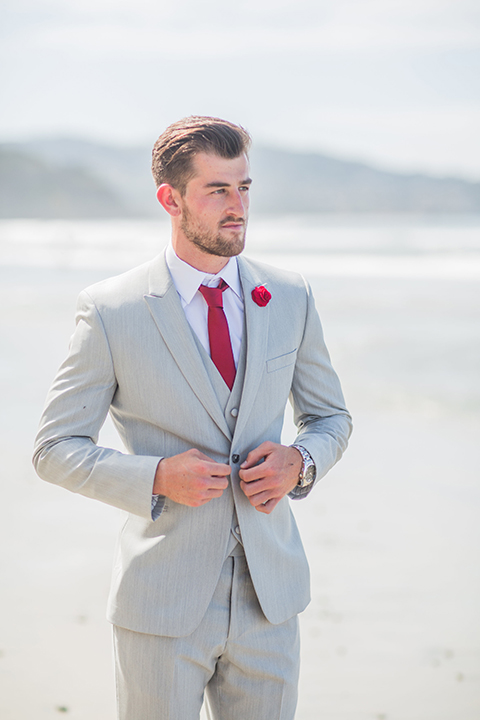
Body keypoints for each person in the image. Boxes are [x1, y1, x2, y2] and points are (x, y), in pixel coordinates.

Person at [33, 116, 352, 720]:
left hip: (271, 602)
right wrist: (154, 477)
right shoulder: (112, 311)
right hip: (162, 602)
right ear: (169, 199)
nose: (238, 207)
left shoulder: (290, 296)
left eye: (245, 188)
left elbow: (330, 416)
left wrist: (301, 462)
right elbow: (54, 448)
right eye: (218, 190)